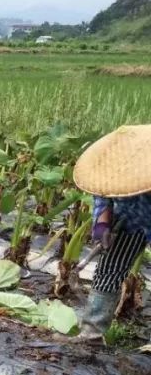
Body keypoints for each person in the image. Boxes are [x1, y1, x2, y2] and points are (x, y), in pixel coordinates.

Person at [73, 126, 151, 337]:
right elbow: (102, 192)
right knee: (109, 270)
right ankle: (91, 334)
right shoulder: (114, 163)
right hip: (127, 220)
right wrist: (102, 224)